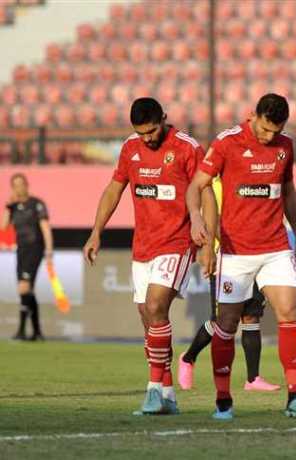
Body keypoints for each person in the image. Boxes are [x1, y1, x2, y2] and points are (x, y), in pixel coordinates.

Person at [186, 93, 296, 420]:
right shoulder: (226, 143)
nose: (268, 137)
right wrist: (196, 222)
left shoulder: (285, 145)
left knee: (290, 311)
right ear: (254, 116)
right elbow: (197, 185)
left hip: (275, 246)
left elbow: (289, 192)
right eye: (264, 130)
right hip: (235, 251)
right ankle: (223, 398)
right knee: (227, 323)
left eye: (275, 131)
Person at [83, 97, 213, 415]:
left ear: (163, 119)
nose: (147, 138)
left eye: (152, 131)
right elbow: (114, 189)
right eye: (141, 133)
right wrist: (96, 230)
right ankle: (167, 393)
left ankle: (152, 389)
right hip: (143, 245)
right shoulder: (130, 149)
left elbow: (206, 191)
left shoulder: (186, 147)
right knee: (148, 317)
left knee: (156, 306)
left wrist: (208, 243)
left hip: (177, 241)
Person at [178, 177, 280, 392]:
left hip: (255, 255)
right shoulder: (215, 185)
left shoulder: (248, 177)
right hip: (226, 258)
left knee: (251, 315)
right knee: (222, 321)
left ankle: (253, 379)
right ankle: (188, 358)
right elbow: (213, 220)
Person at [1, 173, 53, 341]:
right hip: (21, 250)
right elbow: (3, 227)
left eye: (21, 184)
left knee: (23, 288)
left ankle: (22, 331)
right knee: (27, 290)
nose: (19, 188)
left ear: (26, 185)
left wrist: (49, 250)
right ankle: (37, 332)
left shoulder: (36, 204)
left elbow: (45, 227)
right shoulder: (14, 207)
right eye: (15, 185)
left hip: (35, 248)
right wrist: (8, 208)